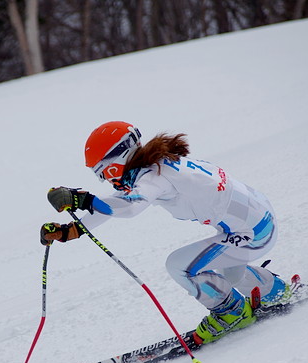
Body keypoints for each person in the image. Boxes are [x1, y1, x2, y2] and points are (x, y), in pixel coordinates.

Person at [40, 121, 290, 345]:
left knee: (180, 266)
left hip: (251, 233)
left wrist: (82, 200)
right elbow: (120, 200)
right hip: (259, 220)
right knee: (230, 271)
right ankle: (273, 290)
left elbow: (129, 206)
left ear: (116, 161)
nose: (104, 179)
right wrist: (73, 230)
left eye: (102, 171)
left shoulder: (153, 177)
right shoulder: (158, 164)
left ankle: (232, 314)